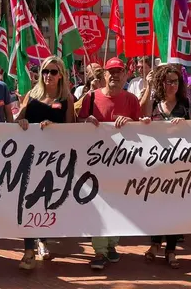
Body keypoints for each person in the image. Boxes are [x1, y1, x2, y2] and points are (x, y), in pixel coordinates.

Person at [78, 57, 142, 271]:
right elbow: (76, 124)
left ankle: (112, 244)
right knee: (98, 206)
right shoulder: (90, 97)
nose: (115, 75)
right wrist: (85, 122)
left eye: (119, 71)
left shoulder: (132, 100)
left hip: (122, 163)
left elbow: (142, 130)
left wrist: (131, 124)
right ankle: (99, 251)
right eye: (111, 71)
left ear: (125, 75)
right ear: (104, 75)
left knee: (118, 206)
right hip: (95, 163)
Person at [15, 55, 75, 270]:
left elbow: (72, 129)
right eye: (45, 71)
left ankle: (43, 240)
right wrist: (21, 120)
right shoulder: (32, 94)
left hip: (54, 160)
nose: (48, 75)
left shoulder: (67, 98)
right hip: (29, 158)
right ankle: (29, 250)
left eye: (53, 72)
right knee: (27, 201)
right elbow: (17, 121)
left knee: (47, 201)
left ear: (61, 75)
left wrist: (55, 127)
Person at [141, 64, 189, 269]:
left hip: (178, 166)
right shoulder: (154, 104)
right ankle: (154, 244)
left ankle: (170, 250)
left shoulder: (185, 104)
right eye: (168, 81)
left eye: (175, 81)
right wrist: (148, 86)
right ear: (161, 83)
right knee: (156, 207)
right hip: (156, 164)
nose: (172, 85)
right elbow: (141, 114)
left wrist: (185, 123)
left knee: (174, 209)